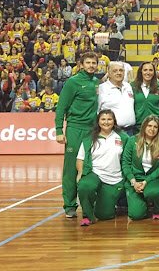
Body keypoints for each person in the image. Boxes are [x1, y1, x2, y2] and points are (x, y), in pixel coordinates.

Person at [55, 52, 99, 218]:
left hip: (92, 130)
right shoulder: (72, 82)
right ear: (81, 64)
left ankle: (90, 202)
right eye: (87, 63)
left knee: (91, 166)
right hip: (75, 129)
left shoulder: (96, 82)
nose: (91, 66)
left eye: (93, 63)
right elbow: (61, 108)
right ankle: (70, 205)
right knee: (71, 168)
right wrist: (59, 130)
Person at [76, 109, 129, 226]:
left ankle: (100, 203)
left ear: (114, 121)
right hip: (94, 174)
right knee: (85, 186)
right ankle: (87, 216)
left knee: (104, 215)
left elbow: (129, 158)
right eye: (103, 119)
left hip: (115, 178)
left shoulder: (123, 137)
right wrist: (80, 172)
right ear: (98, 121)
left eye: (109, 119)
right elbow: (80, 158)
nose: (106, 122)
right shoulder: (89, 138)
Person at [121, 115, 159, 220]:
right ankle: (144, 202)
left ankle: (156, 208)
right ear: (143, 127)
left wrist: (146, 181)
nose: (152, 129)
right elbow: (125, 163)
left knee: (153, 193)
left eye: (155, 127)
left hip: (153, 179)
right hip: (135, 179)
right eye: (149, 126)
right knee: (136, 215)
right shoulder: (132, 141)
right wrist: (133, 182)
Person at [97, 61, 136, 135]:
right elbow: (97, 111)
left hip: (130, 131)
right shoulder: (102, 88)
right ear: (109, 73)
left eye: (121, 70)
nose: (118, 73)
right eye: (115, 71)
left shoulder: (128, 86)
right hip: (111, 132)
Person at [131, 61, 159, 132]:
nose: (148, 73)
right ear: (141, 71)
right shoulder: (132, 86)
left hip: (155, 126)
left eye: (151, 70)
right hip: (138, 127)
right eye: (145, 70)